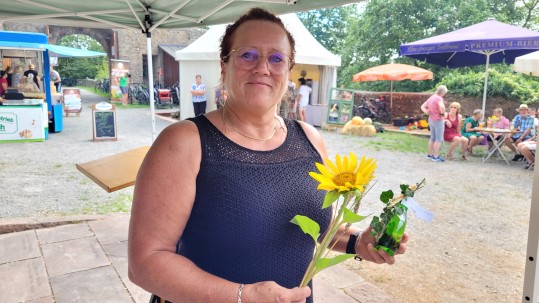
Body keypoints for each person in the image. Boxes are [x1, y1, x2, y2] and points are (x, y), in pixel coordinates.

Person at [128, 8, 407, 303]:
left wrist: (357, 242)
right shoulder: (185, 142)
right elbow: (145, 263)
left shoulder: (309, 138)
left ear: (288, 71)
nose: (263, 67)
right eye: (247, 55)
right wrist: (242, 296)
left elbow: (317, 226)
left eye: (276, 58)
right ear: (224, 65)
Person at [421, 85, 447, 162]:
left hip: (431, 119)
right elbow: (442, 107)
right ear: (442, 92)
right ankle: (435, 156)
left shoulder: (432, 97)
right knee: (438, 139)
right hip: (438, 120)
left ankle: (429, 154)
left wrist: (426, 111)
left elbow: (422, 106)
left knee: (432, 137)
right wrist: (443, 114)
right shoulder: (439, 98)